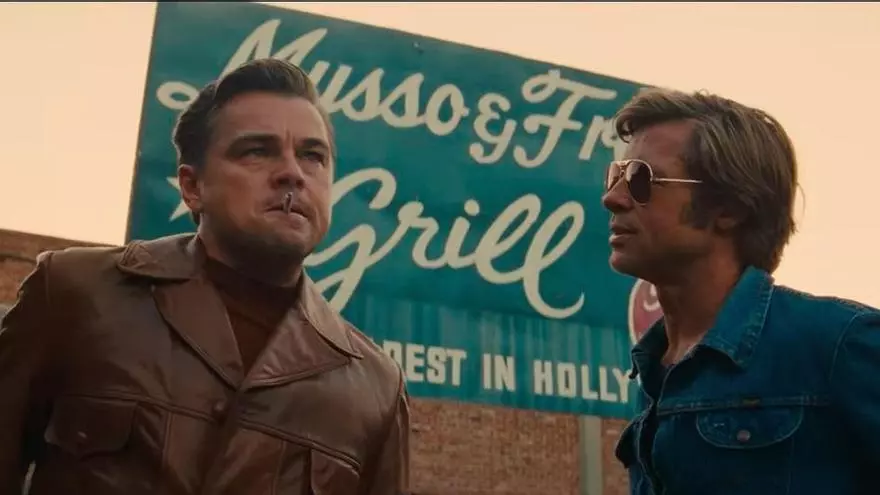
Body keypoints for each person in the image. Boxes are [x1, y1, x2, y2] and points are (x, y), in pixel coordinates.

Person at [0, 59, 409, 495]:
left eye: (313, 156)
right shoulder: (75, 292)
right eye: (257, 151)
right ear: (192, 187)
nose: (293, 173)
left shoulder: (377, 387)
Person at [605, 88, 880, 494]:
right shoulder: (655, 373)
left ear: (729, 209)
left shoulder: (841, 345)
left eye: (640, 179)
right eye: (615, 176)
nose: (612, 198)